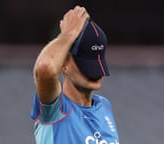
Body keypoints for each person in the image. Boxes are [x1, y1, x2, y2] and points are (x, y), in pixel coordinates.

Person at [30, 5, 120, 144]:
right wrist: (68, 34)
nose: (95, 73)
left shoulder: (104, 106)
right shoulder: (55, 110)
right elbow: (46, 67)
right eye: (85, 63)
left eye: (96, 60)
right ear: (64, 64)